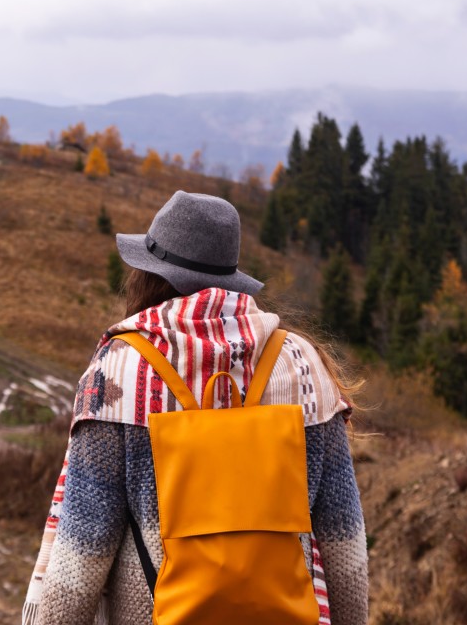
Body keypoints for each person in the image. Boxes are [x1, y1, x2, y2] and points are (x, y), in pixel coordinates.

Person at [22, 191, 368, 625]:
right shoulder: (302, 366)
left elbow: (81, 556)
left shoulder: (120, 373)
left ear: (150, 276)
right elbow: (345, 545)